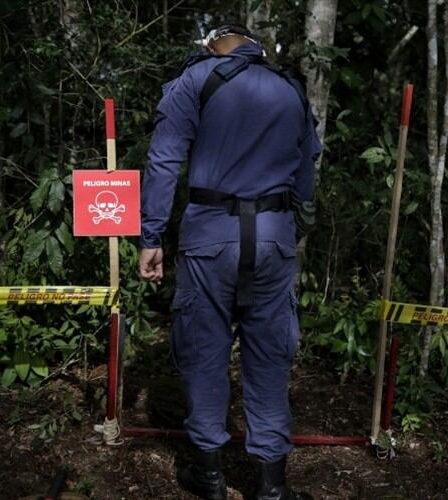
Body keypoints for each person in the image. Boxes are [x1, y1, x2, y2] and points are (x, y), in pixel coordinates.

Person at [138, 23, 320, 500]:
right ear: (255, 47)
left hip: (210, 237)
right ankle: (272, 488)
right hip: (273, 238)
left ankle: (210, 477)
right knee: (269, 359)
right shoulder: (290, 89)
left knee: (204, 352)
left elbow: (163, 160)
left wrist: (150, 235)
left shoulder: (196, 80)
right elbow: (306, 173)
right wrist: (292, 228)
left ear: (212, 45)